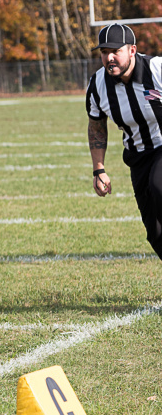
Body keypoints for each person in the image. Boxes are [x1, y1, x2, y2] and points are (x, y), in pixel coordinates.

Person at [87, 23, 162, 260]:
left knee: (159, 185)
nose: (109, 57)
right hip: (138, 156)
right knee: (155, 232)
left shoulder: (157, 70)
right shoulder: (98, 85)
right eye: (103, 52)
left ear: (132, 50)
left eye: (115, 51)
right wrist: (99, 170)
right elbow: (97, 126)